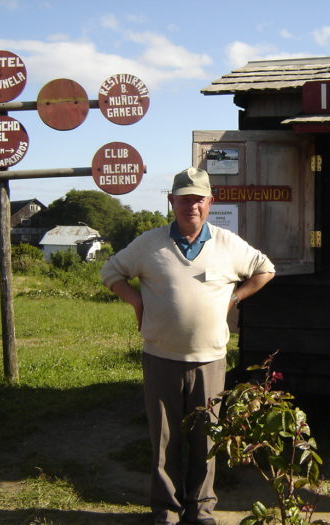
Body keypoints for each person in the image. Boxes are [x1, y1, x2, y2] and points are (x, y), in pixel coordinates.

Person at [100, 167, 275, 525]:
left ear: (210, 202)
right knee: (164, 441)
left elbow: (265, 269)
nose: (190, 206)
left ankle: (201, 510)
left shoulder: (228, 244)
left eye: (198, 199)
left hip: (210, 360)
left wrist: (235, 297)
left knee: (205, 440)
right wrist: (137, 302)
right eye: (184, 199)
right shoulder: (149, 244)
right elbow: (111, 272)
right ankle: (166, 511)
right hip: (160, 357)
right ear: (172, 202)